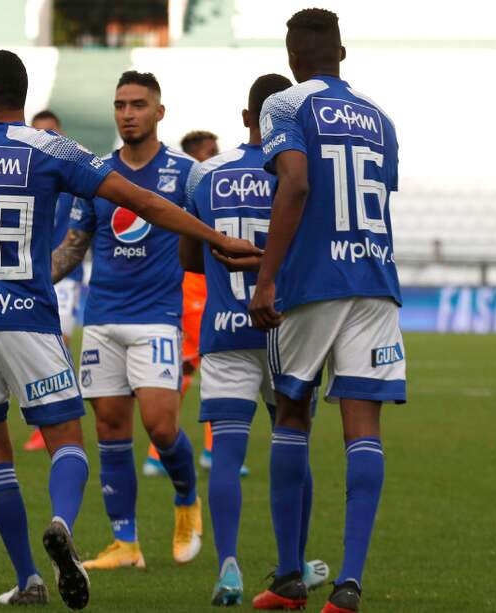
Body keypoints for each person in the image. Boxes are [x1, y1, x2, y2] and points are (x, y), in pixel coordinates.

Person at [0, 50, 261, 608]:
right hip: (27, 317)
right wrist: (217, 238)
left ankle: (28, 578)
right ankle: (62, 524)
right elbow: (143, 201)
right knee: (67, 441)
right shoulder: (52, 150)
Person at [248, 9, 404, 613]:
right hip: (374, 278)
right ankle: (349, 584)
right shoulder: (381, 118)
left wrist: (266, 277)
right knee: (363, 428)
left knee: (291, 414)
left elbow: (296, 184)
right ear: (342, 53)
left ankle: (290, 578)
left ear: (292, 58)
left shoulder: (285, 104)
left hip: (312, 282)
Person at [182, 73, 328, 606]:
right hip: (288, 327)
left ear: (247, 118)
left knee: (226, 452)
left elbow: (188, 257)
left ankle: (228, 567)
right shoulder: (303, 173)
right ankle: (295, 564)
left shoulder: (205, 174)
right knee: (293, 443)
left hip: (225, 327)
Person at [51, 71, 204, 571]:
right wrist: (29, 279)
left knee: (161, 426)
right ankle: (125, 544)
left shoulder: (185, 173)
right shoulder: (96, 174)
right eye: (120, 105)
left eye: (138, 104)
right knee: (110, 429)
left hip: (157, 317)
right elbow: (73, 247)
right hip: (102, 317)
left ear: (159, 111)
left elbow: (208, 233)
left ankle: (186, 499)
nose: (128, 113)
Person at [144, 128, 222, 476]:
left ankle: (209, 451)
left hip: (212, 285)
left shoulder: (215, 188)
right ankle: (160, 453)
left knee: (208, 367)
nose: (216, 157)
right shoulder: (187, 188)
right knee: (195, 366)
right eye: (210, 152)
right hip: (191, 287)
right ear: (195, 158)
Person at [23, 109, 84, 453]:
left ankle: (57, 419)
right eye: (39, 132)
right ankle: (44, 418)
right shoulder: (24, 176)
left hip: (65, 275)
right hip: (27, 273)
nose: (46, 138)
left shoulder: (72, 176)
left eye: (52, 132)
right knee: (31, 345)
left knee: (57, 342)